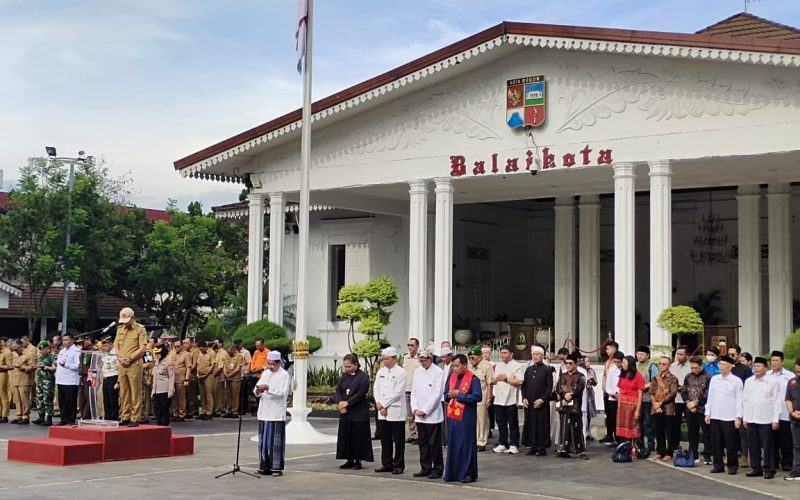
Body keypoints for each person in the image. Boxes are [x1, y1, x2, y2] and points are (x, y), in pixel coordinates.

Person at [443, 354, 482, 483]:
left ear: (464, 365)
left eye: (457, 366)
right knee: (453, 444)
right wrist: (449, 395)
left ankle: (468, 473)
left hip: (466, 417)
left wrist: (460, 395)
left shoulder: (473, 379)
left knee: (466, 445)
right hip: (453, 417)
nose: (454, 369)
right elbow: (445, 394)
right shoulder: (452, 377)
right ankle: (452, 473)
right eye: (453, 366)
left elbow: (477, 397)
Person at [742, 356, 781, 479]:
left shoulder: (772, 382)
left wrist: (775, 419)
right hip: (752, 418)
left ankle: (769, 469)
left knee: (767, 446)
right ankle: (755, 468)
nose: (756, 368)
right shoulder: (749, 381)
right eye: (755, 366)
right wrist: (745, 418)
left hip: (766, 419)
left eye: (759, 366)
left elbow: (777, 401)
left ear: (766, 368)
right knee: (753, 446)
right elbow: (745, 400)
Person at [254, 350, 291, 477]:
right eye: (268, 363)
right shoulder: (265, 373)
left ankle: (276, 467)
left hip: (276, 412)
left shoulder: (284, 375)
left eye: (272, 364)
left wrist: (268, 389)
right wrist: (258, 391)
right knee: (263, 441)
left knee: (275, 441)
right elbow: (256, 388)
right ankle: (264, 466)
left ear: (278, 363)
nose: (270, 366)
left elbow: (282, 393)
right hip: (264, 410)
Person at [410, 348, 445, 479]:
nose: (422, 363)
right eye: (420, 361)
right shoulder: (417, 372)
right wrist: (415, 409)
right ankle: (425, 467)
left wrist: (425, 410)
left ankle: (437, 468)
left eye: (424, 360)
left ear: (430, 359)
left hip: (432, 414)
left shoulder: (438, 372)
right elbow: (413, 392)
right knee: (423, 443)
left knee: (434, 443)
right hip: (419, 413)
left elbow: (437, 394)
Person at [705, 355, 743, 474]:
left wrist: (738, 417)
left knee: (731, 442)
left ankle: (732, 465)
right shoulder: (715, 379)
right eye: (720, 364)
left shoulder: (736, 381)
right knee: (716, 441)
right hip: (716, 415)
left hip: (730, 416)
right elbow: (710, 397)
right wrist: (708, 413)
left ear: (730, 366)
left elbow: (740, 400)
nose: (721, 367)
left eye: (724, 365)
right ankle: (718, 465)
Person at [335, 353, 373, 470]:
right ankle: (349, 459)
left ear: (356, 364)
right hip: (345, 412)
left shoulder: (363, 377)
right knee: (346, 436)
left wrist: (348, 403)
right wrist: (340, 403)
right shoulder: (344, 377)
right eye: (345, 367)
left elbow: (361, 393)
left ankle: (358, 460)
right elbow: (338, 391)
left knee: (358, 437)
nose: (347, 369)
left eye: (349, 367)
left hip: (358, 412)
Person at [373, 346, 407, 474]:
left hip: (395, 409)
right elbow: (376, 388)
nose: (385, 361)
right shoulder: (381, 372)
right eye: (384, 359)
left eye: (387, 359)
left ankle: (398, 465)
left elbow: (397, 392)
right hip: (382, 409)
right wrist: (378, 403)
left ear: (394, 358)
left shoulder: (401, 372)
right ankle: (386, 463)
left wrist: (384, 405)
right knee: (385, 439)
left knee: (398, 440)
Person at [114, 307, 147, 427]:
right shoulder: (120, 329)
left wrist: (130, 358)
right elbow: (116, 346)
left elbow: (142, 347)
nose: (125, 323)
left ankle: (135, 417)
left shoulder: (140, 329)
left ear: (132, 318)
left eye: (127, 320)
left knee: (135, 391)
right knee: (124, 391)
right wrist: (120, 358)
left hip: (134, 364)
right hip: (122, 363)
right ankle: (125, 415)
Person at [765, 350, 794, 472]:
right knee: (771, 441)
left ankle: (787, 462)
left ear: (782, 361)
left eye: (777, 360)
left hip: (784, 413)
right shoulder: (766, 375)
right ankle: (773, 462)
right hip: (769, 413)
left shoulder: (790, 376)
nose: (774, 363)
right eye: (772, 360)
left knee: (785, 440)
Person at [521, 345, 553, 456]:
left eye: (537, 354)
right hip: (529, 401)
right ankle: (532, 445)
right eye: (533, 354)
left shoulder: (547, 370)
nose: (535, 357)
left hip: (541, 403)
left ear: (542, 356)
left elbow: (549, 387)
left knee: (541, 424)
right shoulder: (529, 369)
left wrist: (542, 400)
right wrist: (524, 398)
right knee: (530, 423)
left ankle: (541, 447)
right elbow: (524, 385)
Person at [555, 352, 588, 459]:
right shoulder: (563, 375)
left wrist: (570, 396)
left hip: (575, 406)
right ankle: (564, 449)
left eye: (570, 363)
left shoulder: (580, 376)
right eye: (566, 363)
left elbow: (579, 388)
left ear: (576, 364)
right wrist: (564, 395)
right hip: (564, 406)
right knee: (564, 428)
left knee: (576, 428)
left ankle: (580, 451)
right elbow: (558, 388)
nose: (568, 365)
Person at [492, 345, 523, 454]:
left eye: (505, 353)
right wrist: (495, 379)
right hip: (498, 398)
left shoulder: (516, 366)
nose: (503, 355)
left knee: (512, 422)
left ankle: (514, 443)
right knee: (501, 422)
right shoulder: (498, 366)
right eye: (502, 353)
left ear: (511, 354)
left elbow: (519, 381)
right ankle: (502, 443)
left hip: (510, 399)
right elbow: (494, 380)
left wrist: (505, 379)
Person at [682, 356, 712, 465]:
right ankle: (693, 453)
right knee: (692, 433)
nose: (693, 370)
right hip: (690, 408)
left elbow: (708, 393)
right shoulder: (688, 376)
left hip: (703, 409)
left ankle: (708, 455)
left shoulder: (708, 377)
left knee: (706, 433)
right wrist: (688, 403)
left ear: (701, 366)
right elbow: (684, 391)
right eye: (692, 368)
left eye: (695, 368)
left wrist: (696, 403)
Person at [650, 355, 679, 461]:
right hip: (656, 407)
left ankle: (669, 452)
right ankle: (660, 451)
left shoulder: (673, 378)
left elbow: (673, 393)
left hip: (668, 407)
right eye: (660, 364)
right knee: (658, 430)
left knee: (670, 431)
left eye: (664, 364)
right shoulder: (655, 378)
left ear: (669, 366)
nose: (661, 366)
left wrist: (661, 402)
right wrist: (655, 404)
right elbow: (651, 392)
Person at [467, 345, 493, 451]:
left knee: (482, 420)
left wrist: (488, 398)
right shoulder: (468, 365)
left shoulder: (487, 366)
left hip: (482, 396)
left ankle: (481, 441)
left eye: (473, 358)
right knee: (472, 419)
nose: (471, 360)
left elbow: (489, 383)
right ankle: (473, 439)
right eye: (470, 358)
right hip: (469, 396)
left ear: (480, 357)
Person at [615, 355, 644, 449]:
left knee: (632, 427)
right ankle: (626, 447)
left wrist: (637, 410)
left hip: (633, 405)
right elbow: (620, 390)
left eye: (624, 363)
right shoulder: (622, 375)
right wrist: (619, 403)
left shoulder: (638, 376)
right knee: (623, 426)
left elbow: (640, 394)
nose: (622, 365)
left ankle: (634, 447)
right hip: (623, 405)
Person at [635, 346, 658, 451]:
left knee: (649, 422)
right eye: (638, 354)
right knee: (638, 422)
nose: (639, 356)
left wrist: (644, 386)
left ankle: (650, 443)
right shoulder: (635, 365)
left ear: (647, 355)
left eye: (641, 354)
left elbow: (655, 380)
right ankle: (639, 442)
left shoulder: (652, 366)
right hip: (637, 399)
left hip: (647, 398)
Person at [55, 332, 81, 425]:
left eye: (67, 340)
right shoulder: (62, 351)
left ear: (72, 340)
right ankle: (63, 418)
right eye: (63, 340)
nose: (64, 342)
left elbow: (77, 366)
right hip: (61, 379)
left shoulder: (76, 351)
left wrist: (65, 364)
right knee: (62, 401)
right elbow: (58, 363)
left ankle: (71, 419)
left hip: (70, 380)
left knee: (70, 401)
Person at [669, 345, 691, 453]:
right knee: (674, 424)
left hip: (688, 400)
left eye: (682, 354)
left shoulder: (691, 367)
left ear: (687, 355)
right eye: (678, 354)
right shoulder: (672, 366)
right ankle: (674, 446)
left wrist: (684, 388)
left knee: (691, 425)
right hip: (675, 399)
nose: (679, 356)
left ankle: (692, 448)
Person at [9, 340, 35, 424]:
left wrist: (22, 367)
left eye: (16, 349)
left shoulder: (29, 354)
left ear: (21, 346)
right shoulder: (15, 354)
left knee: (24, 399)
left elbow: (32, 366)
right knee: (17, 399)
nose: (15, 351)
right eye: (14, 349)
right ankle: (18, 415)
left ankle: (25, 416)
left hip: (25, 379)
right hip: (15, 379)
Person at [599, 342, 620, 444]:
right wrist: (604, 388)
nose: (606, 351)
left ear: (614, 349)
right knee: (608, 415)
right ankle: (609, 435)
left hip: (615, 393)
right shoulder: (607, 361)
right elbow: (604, 375)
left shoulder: (618, 362)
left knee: (614, 416)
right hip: (607, 392)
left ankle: (617, 437)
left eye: (608, 349)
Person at [32, 341, 56, 426]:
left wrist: (46, 368)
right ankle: (41, 417)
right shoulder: (40, 357)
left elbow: (54, 368)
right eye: (41, 350)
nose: (42, 351)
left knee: (47, 400)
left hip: (48, 381)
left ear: (47, 349)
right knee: (39, 399)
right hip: (40, 381)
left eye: (43, 349)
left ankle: (49, 418)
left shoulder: (52, 356)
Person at [151, 341, 174, 426]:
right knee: (158, 410)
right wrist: (153, 391)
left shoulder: (168, 362)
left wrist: (171, 391)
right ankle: (159, 426)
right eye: (156, 353)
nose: (157, 355)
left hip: (165, 390)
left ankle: (164, 426)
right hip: (156, 390)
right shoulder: (157, 362)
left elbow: (171, 377)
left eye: (159, 353)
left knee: (164, 410)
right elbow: (154, 377)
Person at [603, 350, 624, 445]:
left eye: (618, 362)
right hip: (613, 398)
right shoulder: (612, 369)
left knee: (622, 419)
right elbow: (608, 385)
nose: (617, 364)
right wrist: (612, 393)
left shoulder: (625, 370)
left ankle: (622, 440)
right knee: (613, 418)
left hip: (623, 398)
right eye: (615, 362)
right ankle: (616, 439)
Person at [402, 337, 420, 444]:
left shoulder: (420, 358)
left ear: (417, 346)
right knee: (409, 414)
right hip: (407, 388)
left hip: (416, 390)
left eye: (412, 345)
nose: (410, 347)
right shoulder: (405, 358)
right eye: (408, 345)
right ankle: (412, 434)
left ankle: (419, 434)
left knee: (416, 412)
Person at [98, 334, 120, 422]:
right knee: (106, 400)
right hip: (106, 377)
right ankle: (107, 418)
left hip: (113, 377)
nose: (104, 346)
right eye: (103, 345)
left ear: (111, 343)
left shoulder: (116, 352)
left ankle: (114, 418)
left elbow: (119, 368)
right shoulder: (105, 353)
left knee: (113, 400)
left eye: (106, 345)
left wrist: (118, 382)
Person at [785, 358, 800, 481]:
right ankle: (796, 470)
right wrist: (792, 412)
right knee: (797, 446)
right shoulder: (792, 382)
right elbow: (788, 399)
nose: (798, 371)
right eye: (797, 369)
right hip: (795, 419)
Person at [171, 340, 192, 421]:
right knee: (174, 397)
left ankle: (182, 414)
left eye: (178, 346)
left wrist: (186, 379)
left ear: (181, 346)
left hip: (181, 379)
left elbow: (188, 367)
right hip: (173, 379)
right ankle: (175, 413)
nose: (176, 348)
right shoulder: (172, 354)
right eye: (175, 346)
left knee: (181, 397)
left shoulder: (186, 354)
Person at [195, 341, 215, 420]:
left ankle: (209, 412)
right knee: (202, 395)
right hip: (200, 375)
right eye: (199, 349)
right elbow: (198, 364)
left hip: (208, 376)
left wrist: (206, 374)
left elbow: (212, 365)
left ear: (206, 347)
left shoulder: (211, 353)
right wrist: (197, 373)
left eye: (202, 349)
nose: (201, 350)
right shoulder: (199, 353)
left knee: (208, 394)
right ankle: (203, 411)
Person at [223, 345, 244, 418]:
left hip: (235, 378)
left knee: (235, 395)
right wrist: (225, 373)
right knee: (228, 395)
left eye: (229, 351)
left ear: (233, 350)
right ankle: (229, 410)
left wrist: (231, 375)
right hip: (227, 377)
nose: (228, 352)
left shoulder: (239, 356)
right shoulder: (227, 356)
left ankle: (234, 411)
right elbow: (224, 366)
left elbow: (238, 368)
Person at [580, 356, 598, 440]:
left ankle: (587, 432)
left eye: (589, 361)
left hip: (589, 394)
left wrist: (592, 381)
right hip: (582, 394)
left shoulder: (591, 370)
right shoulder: (580, 371)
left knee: (589, 414)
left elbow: (595, 382)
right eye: (586, 361)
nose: (588, 363)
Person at [438, 346, 453, 445]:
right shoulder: (440, 366)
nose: (443, 359)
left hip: (449, 395)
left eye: (445, 357)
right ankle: (443, 440)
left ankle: (449, 440)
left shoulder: (454, 366)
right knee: (441, 419)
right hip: (440, 395)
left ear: (450, 356)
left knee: (449, 419)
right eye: (442, 357)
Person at [0, 337, 13, 423]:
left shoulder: (7, 352)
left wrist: (0, 367)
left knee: (3, 395)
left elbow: (10, 366)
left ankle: (4, 415)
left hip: (2, 374)